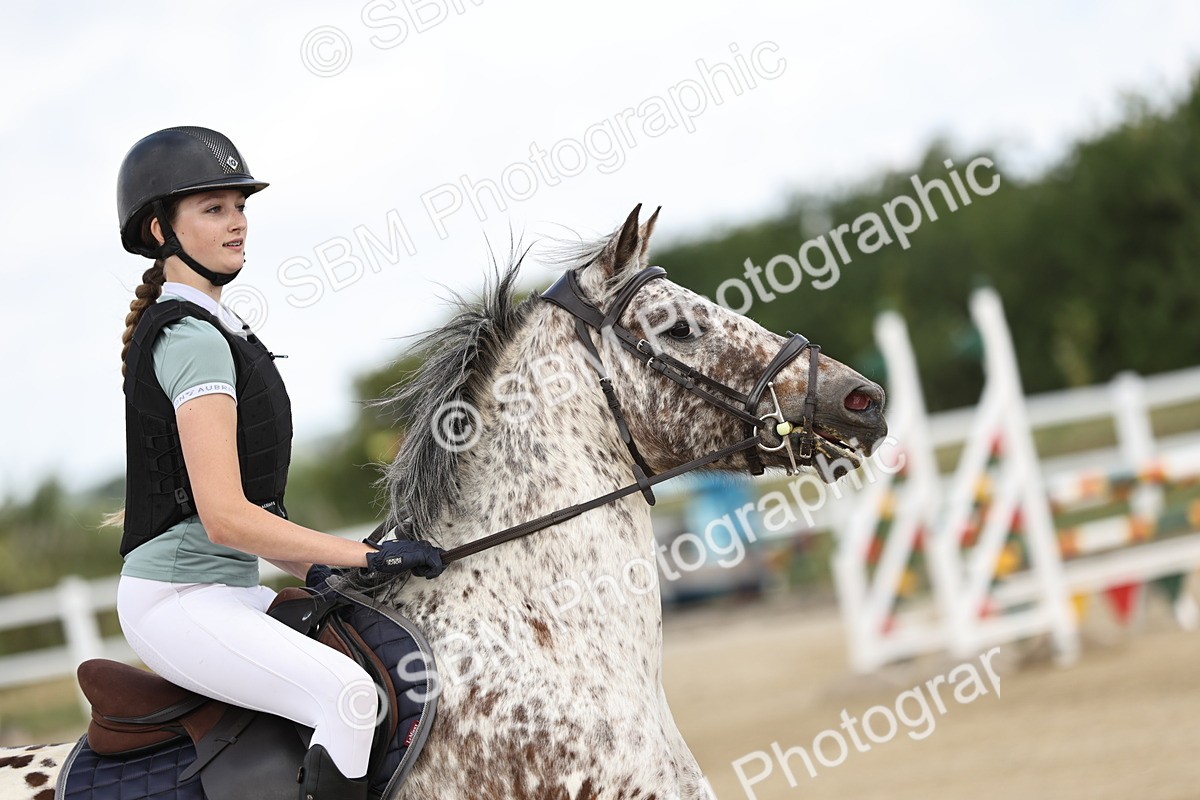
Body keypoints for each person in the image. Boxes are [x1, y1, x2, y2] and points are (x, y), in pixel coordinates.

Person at [112, 126, 442, 800]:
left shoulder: (224, 332)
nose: (237, 223)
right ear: (158, 229)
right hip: (179, 603)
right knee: (350, 699)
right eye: (213, 209)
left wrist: (327, 568)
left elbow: (255, 516)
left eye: (239, 206)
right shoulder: (190, 339)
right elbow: (227, 519)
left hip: (225, 594)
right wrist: (361, 556)